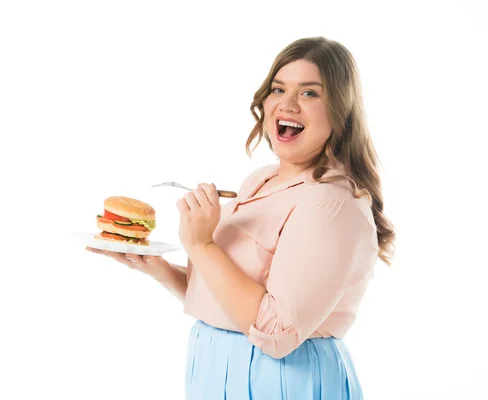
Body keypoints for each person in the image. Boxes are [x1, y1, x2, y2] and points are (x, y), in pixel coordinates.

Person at [86, 36, 395, 399]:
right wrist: (159, 269)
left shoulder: (332, 204)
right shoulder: (260, 179)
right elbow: (235, 303)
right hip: (214, 369)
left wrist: (201, 244)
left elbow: (277, 332)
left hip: (283, 379)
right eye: (279, 88)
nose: (288, 104)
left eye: (310, 93)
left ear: (341, 111)